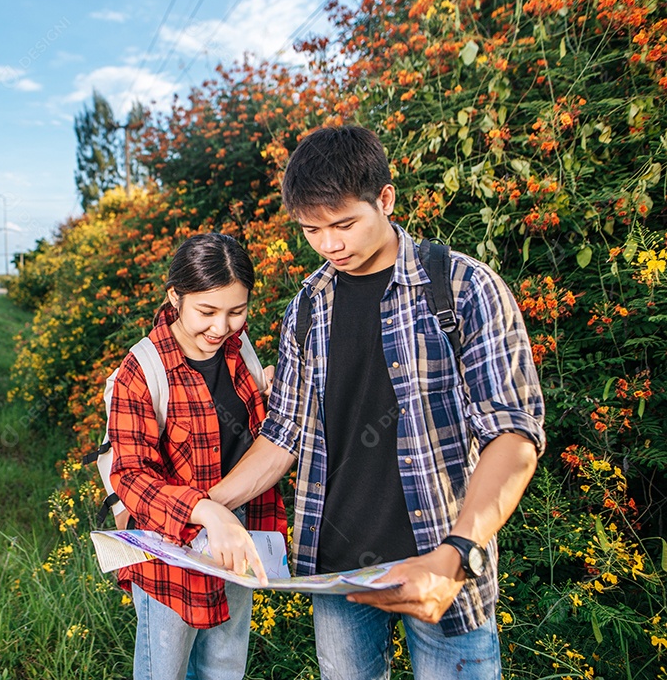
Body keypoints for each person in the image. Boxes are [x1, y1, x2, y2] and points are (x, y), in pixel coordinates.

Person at [200, 125, 545, 678]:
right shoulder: (308, 307)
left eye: (343, 224)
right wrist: (204, 503)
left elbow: (514, 434)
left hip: (441, 560)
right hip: (335, 572)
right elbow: (285, 432)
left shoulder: (461, 289)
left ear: (385, 199)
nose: (330, 245)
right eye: (312, 230)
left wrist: (456, 555)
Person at [108, 233, 287, 680]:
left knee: (225, 666)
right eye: (206, 312)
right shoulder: (143, 368)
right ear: (175, 297)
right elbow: (129, 474)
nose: (221, 327)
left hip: (238, 539)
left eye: (236, 311)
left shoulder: (240, 348)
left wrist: (267, 392)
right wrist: (206, 510)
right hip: (171, 554)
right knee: (164, 670)